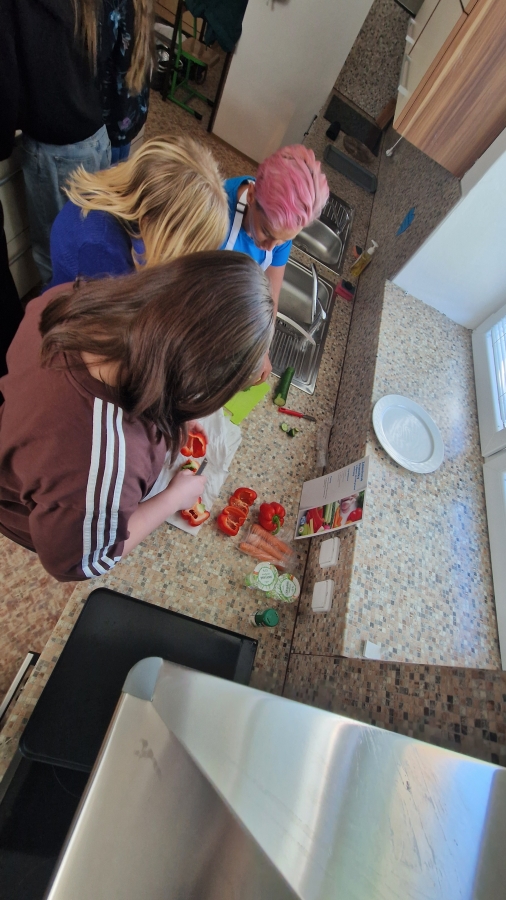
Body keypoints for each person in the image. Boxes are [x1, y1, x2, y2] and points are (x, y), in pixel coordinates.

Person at [0, 252, 273, 582]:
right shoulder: (104, 463)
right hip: (42, 522)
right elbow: (79, 562)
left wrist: (173, 411)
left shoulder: (76, 299)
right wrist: (172, 499)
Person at [0, 0, 112, 284]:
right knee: (91, 245)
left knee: (56, 258)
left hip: (56, 148)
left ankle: (62, 313)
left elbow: (6, 79)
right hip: (96, 134)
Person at [48, 136, 228, 287]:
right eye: (183, 250)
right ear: (150, 223)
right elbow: (115, 310)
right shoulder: (103, 248)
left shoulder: (133, 185)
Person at [222, 145, 329, 309]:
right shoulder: (217, 211)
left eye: (283, 240)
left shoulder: (283, 229)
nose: (270, 247)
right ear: (251, 195)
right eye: (266, 232)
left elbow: (271, 301)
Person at [100, 0, 155, 164]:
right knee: (118, 169)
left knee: (108, 173)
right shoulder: (138, 4)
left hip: (110, 119)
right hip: (128, 114)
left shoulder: (112, 5)